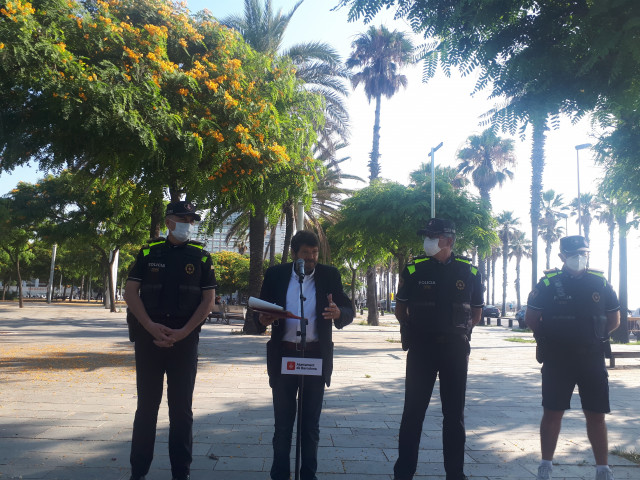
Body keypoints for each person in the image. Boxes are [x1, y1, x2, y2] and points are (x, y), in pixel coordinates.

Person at [124, 200, 217, 480]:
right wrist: (150, 327)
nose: (188, 224)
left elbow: (208, 300)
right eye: (182, 218)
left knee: (181, 412)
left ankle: (181, 473)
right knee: (146, 409)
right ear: (168, 222)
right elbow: (130, 293)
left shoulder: (201, 255)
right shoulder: (148, 251)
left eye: (191, 219)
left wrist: (184, 332)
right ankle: (138, 472)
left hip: (184, 342)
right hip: (149, 341)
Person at [256, 230, 354, 480]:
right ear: (293, 254)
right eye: (305, 254)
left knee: (310, 426)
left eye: (314, 253)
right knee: (283, 425)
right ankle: (280, 475)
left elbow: (347, 308)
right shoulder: (276, 275)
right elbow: (259, 311)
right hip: (284, 357)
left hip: (314, 358)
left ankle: (308, 475)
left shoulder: (329, 275)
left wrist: (338, 313)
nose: (310, 258)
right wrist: (262, 318)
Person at [393, 218, 483, 480]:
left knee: (454, 416)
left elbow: (476, 314)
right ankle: (404, 473)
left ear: (449, 241)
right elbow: (401, 310)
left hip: (455, 350)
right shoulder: (413, 270)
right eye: (427, 236)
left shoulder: (470, 272)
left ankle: (455, 474)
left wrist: (458, 332)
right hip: (422, 349)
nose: (428, 241)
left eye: (433, 237)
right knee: (413, 413)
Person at [525, 235, 620, 480]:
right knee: (553, 412)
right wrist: (549, 337)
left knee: (596, 415)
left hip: (592, 358)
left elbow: (614, 319)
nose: (580, 257)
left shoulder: (600, 282)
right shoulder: (548, 283)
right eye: (574, 253)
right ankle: (545, 465)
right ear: (562, 257)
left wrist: (592, 337)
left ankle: (603, 469)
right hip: (558, 358)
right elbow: (532, 319)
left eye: (584, 253)